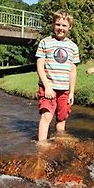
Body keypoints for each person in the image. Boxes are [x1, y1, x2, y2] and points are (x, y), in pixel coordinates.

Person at [36, 10, 80, 141]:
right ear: (53, 25)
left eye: (64, 25)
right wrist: (47, 86)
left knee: (62, 119)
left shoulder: (73, 47)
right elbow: (39, 66)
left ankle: (58, 145)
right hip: (48, 87)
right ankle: (42, 146)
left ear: (69, 27)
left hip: (65, 89)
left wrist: (71, 92)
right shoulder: (45, 42)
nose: (60, 28)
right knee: (46, 116)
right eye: (58, 24)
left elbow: (73, 71)